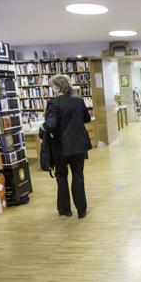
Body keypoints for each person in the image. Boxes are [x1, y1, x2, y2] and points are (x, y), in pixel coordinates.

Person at [42, 74, 92, 218]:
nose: (52, 89)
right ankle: (81, 210)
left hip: (61, 148)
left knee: (61, 176)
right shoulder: (79, 100)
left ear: (58, 87)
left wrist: (43, 127)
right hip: (79, 146)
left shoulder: (53, 103)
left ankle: (65, 209)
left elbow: (51, 124)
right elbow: (86, 119)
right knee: (78, 176)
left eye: (52, 86)